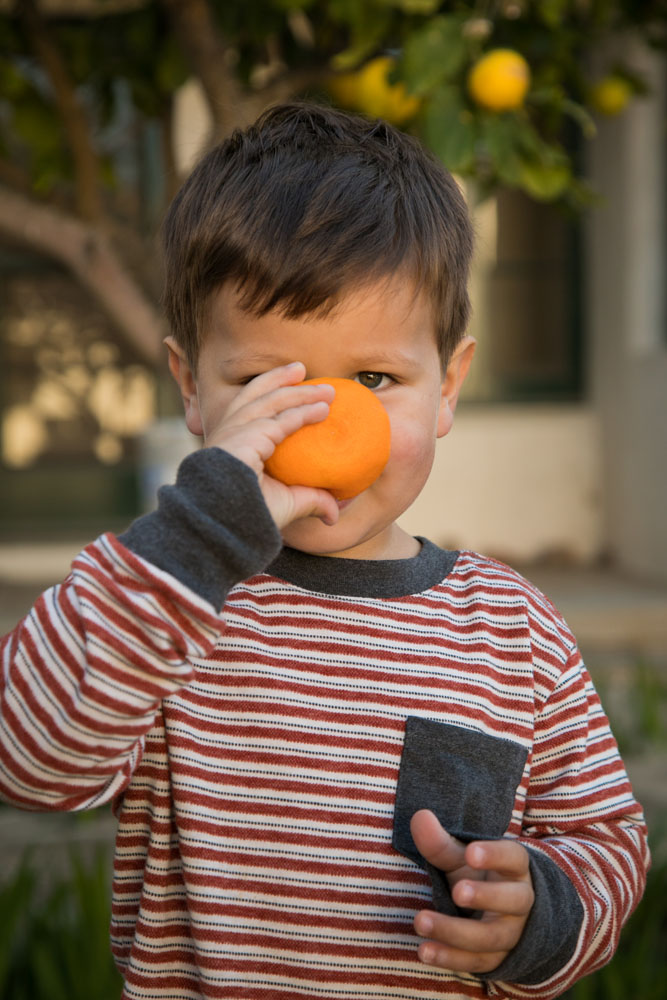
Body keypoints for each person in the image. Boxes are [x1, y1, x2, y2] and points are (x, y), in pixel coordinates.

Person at [0, 102, 648, 1000]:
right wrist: (198, 530)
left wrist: (537, 910)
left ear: (448, 387)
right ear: (192, 388)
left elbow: (606, 839)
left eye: (374, 381)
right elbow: (30, 759)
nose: (319, 425)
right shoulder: (160, 599)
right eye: (266, 383)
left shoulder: (512, 629)